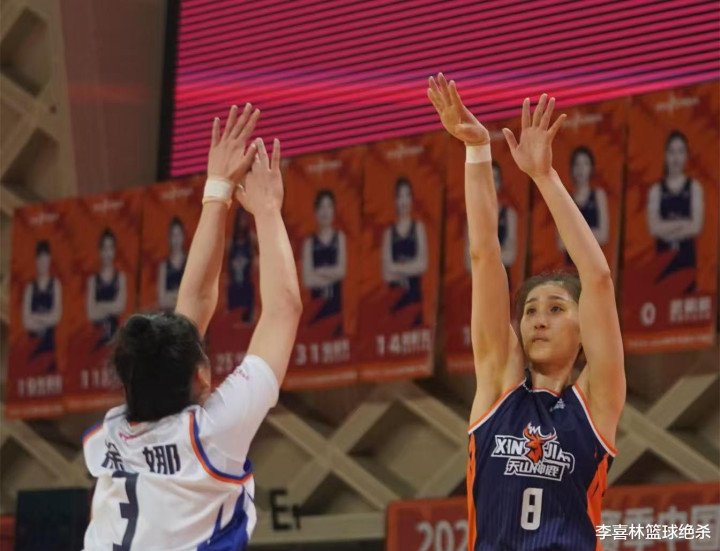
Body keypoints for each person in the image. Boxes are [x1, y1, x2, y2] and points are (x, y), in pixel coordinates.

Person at [81, 104, 302, 550]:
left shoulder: (111, 433)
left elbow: (193, 308)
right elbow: (283, 309)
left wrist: (217, 190)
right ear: (201, 376)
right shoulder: (211, 435)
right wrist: (267, 210)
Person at [429, 75, 625, 550]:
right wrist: (477, 151)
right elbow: (484, 256)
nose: (538, 318)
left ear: (583, 330)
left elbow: (598, 278)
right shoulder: (498, 387)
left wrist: (543, 176)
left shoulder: (596, 403)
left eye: (557, 309)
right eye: (531, 309)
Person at [646, 130, 704, 293]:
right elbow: (654, 227)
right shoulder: (656, 190)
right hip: (663, 262)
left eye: (680, 151)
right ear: (665, 155)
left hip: (687, 262)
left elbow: (696, 227)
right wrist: (683, 224)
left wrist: (666, 228)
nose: (676, 157)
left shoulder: (694, 188)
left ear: (686, 155)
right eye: (672, 152)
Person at [381, 177, 428, 324]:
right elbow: (387, 274)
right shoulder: (389, 233)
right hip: (395, 302)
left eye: (407, 195)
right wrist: (411, 267)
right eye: (400, 196)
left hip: (415, 299)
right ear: (395, 201)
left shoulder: (418, 228)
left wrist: (397, 268)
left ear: (412, 199)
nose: (404, 201)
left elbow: (423, 265)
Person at [465, 162, 518, 288]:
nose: (491, 183)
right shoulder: (471, 217)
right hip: (480, 285)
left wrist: (483, 257)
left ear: (500, 183)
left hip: (503, 284)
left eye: (495, 179)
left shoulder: (509, 215)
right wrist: (497, 254)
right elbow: (469, 262)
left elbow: (510, 256)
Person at [301, 189, 346, 331]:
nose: (325, 212)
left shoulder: (339, 238)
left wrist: (319, 272)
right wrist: (331, 274)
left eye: (329, 206)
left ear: (334, 210)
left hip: (336, 309)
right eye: (322, 207)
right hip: (316, 311)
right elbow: (308, 280)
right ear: (316, 212)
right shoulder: (309, 243)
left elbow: (341, 271)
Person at [558, 146, 609, 264]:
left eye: (585, 164)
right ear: (572, 169)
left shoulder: (598, 195)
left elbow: (603, 235)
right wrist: (591, 235)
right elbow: (561, 243)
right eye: (577, 164)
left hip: (594, 265)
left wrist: (572, 237)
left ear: (591, 168)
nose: (581, 169)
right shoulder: (565, 200)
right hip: (571, 266)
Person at [22, 240, 63, 364]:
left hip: (50, 349)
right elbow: (26, 322)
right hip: (32, 349)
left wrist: (35, 317)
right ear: (36, 260)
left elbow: (56, 317)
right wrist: (47, 319)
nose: (43, 264)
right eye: (40, 260)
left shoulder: (55, 285)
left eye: (45, 260)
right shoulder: (30, 288)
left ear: (49, 260)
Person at [86, 229, 127, 348]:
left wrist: (100, 306)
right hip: (97, 339)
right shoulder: (93, 281)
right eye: (104, 248)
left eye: (110, 248)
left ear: (114, 251)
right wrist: (111, 307)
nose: (107, 253)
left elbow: (120, 307)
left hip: (115, 339)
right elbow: (91, 313)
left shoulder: (120, 277)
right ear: (100, 251)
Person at [227, 207, 257, 323]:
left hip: (247, 288)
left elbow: (258, 258)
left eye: (245, 218)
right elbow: (227, 268)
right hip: (234, 288)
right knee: (233, 323)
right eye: (241, 219)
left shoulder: (251, 239)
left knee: (247, 323)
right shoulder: (231, 242)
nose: (243, 222)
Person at [157, 217, 188, 310]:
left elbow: (192, 296)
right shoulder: (163, 266)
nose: (176, 239)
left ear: (183, 237)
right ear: (169, 239)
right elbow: (162, 301)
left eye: (178, 234)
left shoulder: (190, 264)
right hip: (169, 316)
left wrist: (170, 296)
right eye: (173, 235)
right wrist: (181, 296)